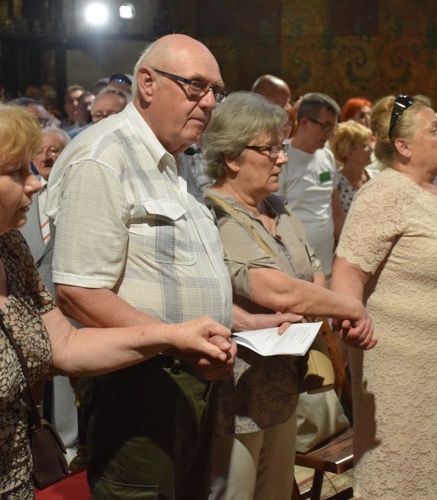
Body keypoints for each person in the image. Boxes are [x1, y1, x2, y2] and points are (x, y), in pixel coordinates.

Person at [0, 85, 240, 499]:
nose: (36, 185)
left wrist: (172, 335)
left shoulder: (6, 246)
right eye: (15, 172)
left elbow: (66, 344)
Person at [45, 34, 297, 499]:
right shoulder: (104, 157)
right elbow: (79, 291)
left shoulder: (174, 160)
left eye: (215, 92)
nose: (208, 104)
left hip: (186, 369)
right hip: (138, 379)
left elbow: (178, 274)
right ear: (147, 83)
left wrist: (245, 320)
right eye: (195, 87)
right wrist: (176, 343)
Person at [201, 91, 375, 500]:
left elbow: (313, 273)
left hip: (284, 379)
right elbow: (276, 289)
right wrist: (350, 307)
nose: (282, 157)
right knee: (236, 492)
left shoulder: (275, 205)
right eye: (270, 149)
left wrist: (321, 305)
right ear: (231, 157)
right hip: (239, 388)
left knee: (277, 491)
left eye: (281, 146)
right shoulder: (217, 214)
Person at [331, 94, 437, 499]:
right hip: (399, 364)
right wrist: (351, 318)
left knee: (428, 467)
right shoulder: (383, 195)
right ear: (402, 146)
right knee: (394, 470)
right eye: (433, 130)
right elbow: (348, 269)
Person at [18, 126, 78, 449]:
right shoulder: (21, 203)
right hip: (26, 308)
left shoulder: (74, 195)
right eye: (41, 150)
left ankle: (69, 443)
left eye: (55, 149)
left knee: (69, 385)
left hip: (66, 308)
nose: (48, 155)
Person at [278, 92, 345, 279]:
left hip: (326, 261)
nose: (329, 133)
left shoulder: (327, 156)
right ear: (305, 122)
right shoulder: (281, 157)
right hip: (294, 264)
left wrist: (344, 247)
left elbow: (336, 208)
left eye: (333, 127)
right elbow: (273, 214)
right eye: (325, 126)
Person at [328, 120, 372, 214]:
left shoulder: (376, 177)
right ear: (348, 152)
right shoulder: (336, 184)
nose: (371, 148)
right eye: (364, 145)